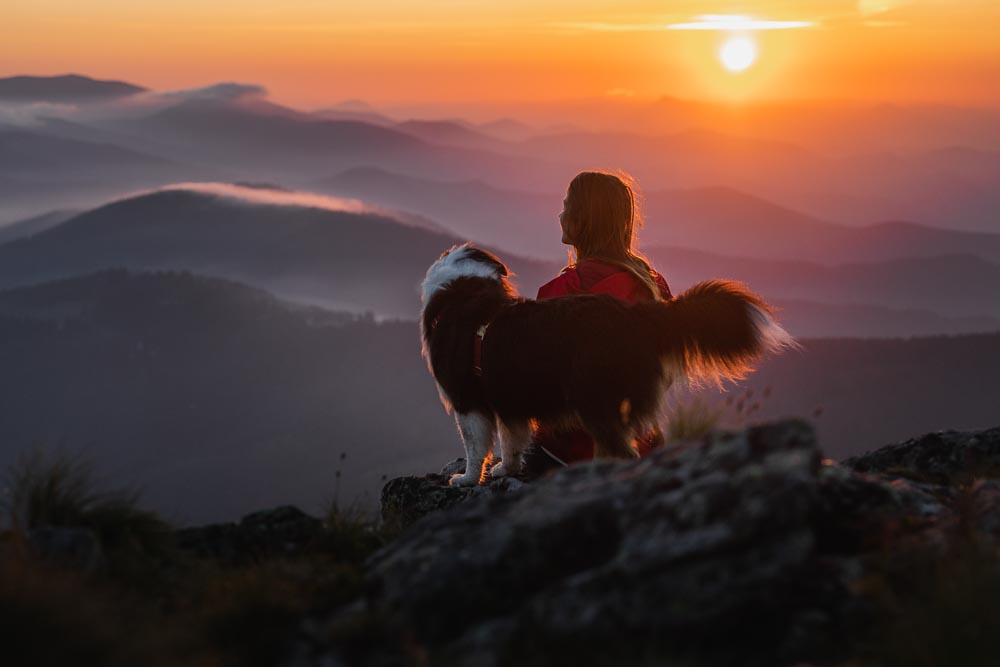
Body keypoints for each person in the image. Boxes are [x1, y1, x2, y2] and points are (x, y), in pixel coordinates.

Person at [530, 169, 672, 469]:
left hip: (564, 455)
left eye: (567, 207)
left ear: (582, 222)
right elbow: (666, 373)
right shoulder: (651, 285)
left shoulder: (559, 294)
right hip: (638, 448)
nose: (560, 215)